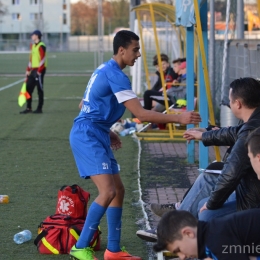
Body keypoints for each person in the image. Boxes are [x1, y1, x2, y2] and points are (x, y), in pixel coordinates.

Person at [68, 30, 201, 260]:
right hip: (87, 136)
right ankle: (80, 247)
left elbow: (84, 104)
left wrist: (107, 131)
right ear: (122, 50)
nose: (138, 54)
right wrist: (179, 118)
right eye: (135, 49)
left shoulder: (105, 69)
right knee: (108, 191)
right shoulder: (116, 75)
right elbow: (140, 113)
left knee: (118, 190)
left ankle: (113, 250)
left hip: (95, 133)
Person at [136, 77, 260, 242]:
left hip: (252, 201)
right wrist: (205, 134)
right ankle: (177, 218)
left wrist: (211, 204)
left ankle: (173, 231)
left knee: (207, 205)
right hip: (251, 192)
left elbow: (231, 174)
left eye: (229, 101)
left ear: (237, 104)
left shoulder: (250, 129)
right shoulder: (253, 123)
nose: (228, 104)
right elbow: (234, 132)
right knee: (208, 185)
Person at [153, 210, 260, 260]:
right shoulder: (210, 235)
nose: (182, 257)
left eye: (178, 250)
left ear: (188, 233)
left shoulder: (217, 239)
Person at [20, 30, 47, 114]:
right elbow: (31, 59)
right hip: (33, 70)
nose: (32, 36)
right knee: (28, 88)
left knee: (39, 89)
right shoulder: (33, 46)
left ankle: (39, 108)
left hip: (39, 70)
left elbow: (43, 59)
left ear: (37, 36)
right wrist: (28, 70)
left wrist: (39, 71)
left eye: (33, 35)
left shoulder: (41, 46)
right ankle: (29, 108)